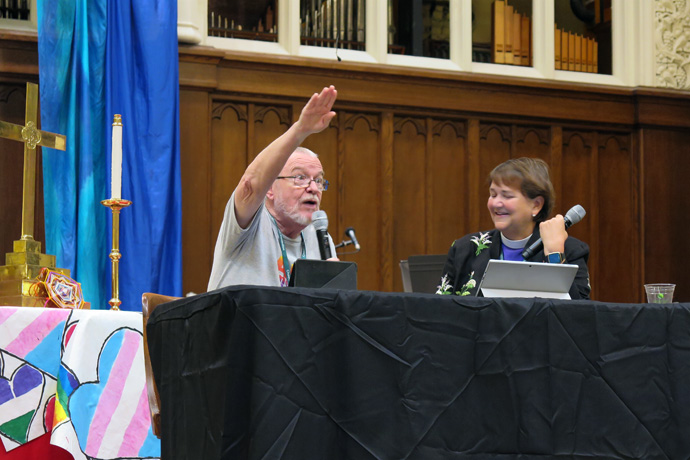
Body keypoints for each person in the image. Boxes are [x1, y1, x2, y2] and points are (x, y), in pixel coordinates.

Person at [208, 86, 339, 290]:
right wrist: (301, 130)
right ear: (269, 188)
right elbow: (250, 184)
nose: (313, 188)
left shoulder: (321, 240)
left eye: (319, 180)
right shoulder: (249, 224)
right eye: (300, 178)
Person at [438, 157, 590, 299]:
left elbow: (581, 315)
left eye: (507, 196)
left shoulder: (571, 250)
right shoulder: (465, 248)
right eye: (493, 195)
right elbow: (440, 309)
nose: (496, 203)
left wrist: (555, 254)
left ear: (536, 204)